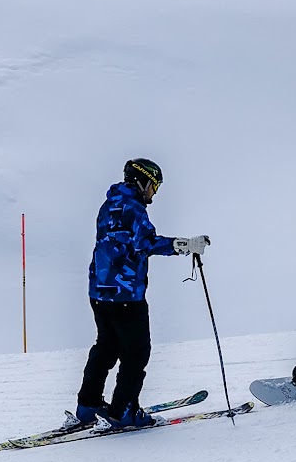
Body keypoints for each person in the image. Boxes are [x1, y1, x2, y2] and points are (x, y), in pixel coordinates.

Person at [76, 159, 210, 428]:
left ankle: (88, 405)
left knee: (106, 346)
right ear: (143, 182)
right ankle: (124, 411)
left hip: (100, 291)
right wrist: (184, 245)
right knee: (136, 353)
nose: (154, 193)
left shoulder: (109, 204)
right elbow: (145, 243)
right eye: (154, 186)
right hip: (126, 296)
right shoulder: (134, 209)